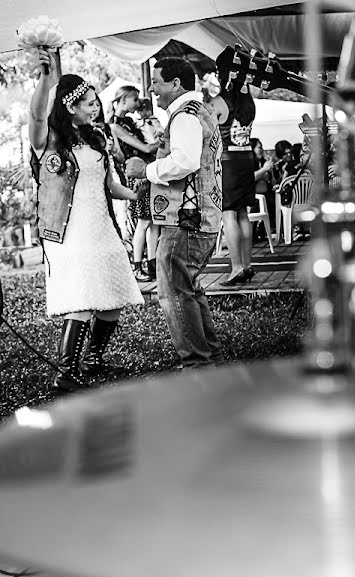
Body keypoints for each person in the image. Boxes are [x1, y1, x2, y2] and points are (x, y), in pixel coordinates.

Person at [29, 48, 143, 393]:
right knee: (81, 299)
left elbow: (110, 186)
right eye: (89, 102)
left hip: (102, 227)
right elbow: (35, 117)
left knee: (111, 298)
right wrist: (45, 78)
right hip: (69, 232)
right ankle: (65, 373)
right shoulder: (48, 140)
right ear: (70, 105)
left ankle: (93, 360)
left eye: (96, 102)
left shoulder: (97, 138)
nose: (96, 107)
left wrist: (140, 194)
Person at [124, 57, 224, 369]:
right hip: (203, 216)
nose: (151, 88)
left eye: (156, 81)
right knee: (189, 289)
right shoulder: (201, 111)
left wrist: (147, 169)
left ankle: (197, 364)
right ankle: (210, 354)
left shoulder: (184, 116)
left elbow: (186, 161)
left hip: (185, 220)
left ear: (176, 83)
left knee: (174, 294)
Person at [208, 52, 257, 286]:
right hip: (246, 157)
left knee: (228, 213)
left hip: (227, 160)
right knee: (243, 212)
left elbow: (206, 133)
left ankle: (236, 267)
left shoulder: (218, 102)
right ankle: (247, 265)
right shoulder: (249, 101)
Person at [109, 85, 161, 282]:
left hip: (144, 171)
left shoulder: (130, 122)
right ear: (123, 100)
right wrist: (165, 141)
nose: (138, 103)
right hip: (136, 174)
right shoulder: (116, 126)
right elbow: (145, 148)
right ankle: (138, 265)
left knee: (153, 219)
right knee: (144, 221)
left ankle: (152, 263)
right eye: (135, 99)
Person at [251, 137, 276, 230]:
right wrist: (264, 170)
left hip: (266, 193)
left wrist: (270, 171)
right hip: (253, 194)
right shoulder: (250, 163)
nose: (262, 150)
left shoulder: (263, 162)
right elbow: (250, 178)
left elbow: (272, 181)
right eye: (259, 147)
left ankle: (264, 229)